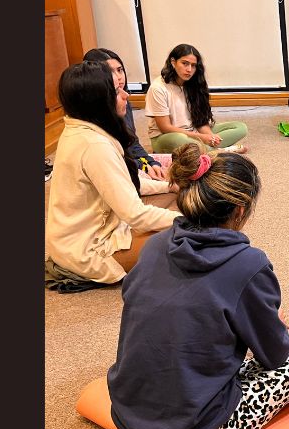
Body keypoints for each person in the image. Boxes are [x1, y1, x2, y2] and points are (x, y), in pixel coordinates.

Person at [106, 143, 289, 429]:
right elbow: (275, 355)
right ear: (239, 210)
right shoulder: (248, 264)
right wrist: (267, 319)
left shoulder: (153, 246)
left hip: (126, 414)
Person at [45, 61, 179, 285]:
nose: (126, 94)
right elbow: (135, 214)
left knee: (177, 198)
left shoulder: (86, 130)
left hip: (91, 234)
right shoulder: (94, 145)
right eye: (117, 91)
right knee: (190, 238)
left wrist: (172, 185)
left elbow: (128, 186)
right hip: (88, 249)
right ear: (99, 101)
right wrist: (194, 221)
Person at [82, 48, 175, 208]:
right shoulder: (93, 127)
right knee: (176, 194)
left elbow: (132, 143)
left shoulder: (123, 102)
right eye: (111, 72)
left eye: (120, 70)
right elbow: (121, 175)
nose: (119, 77)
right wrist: (143, 167)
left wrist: (150, 163)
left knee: (175, 169)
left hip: (131, 169)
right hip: (118, 185)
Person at [145, 44, 249, 154]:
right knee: (181, 140)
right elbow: (165, 127)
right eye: (185, 63)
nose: (189, 69)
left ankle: (209, 150)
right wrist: (201, 137)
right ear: (173, 62)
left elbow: (200, 120)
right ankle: (222, 151)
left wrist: (210, 137)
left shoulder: (194, 84)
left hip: (193, 131)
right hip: (167, 137)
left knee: (240, 128)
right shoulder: (158, 88)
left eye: (193, 65)